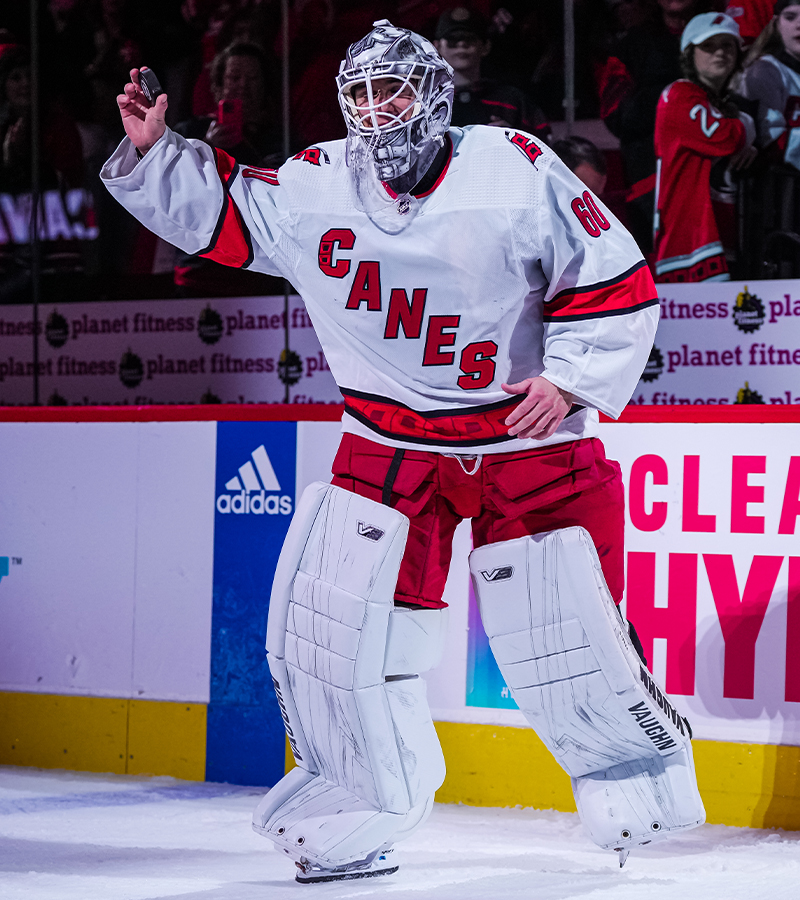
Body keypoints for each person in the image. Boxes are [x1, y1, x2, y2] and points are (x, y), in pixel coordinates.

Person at [102, 20, 703, 884]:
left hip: (520, 436)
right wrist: (161, 152)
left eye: (394, 92)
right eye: (361, 97)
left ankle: (637, 781)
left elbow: (611, 271)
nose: (378, 114)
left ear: (434, 96)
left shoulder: (515, 165)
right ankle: (357, 806)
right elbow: (234, 211)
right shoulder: (317, 183)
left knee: (570, 639)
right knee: (336, 637)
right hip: (388, 441)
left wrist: (570, 379)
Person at [653, 13, 757, 282]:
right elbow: (726, 138)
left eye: (728, 45)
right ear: (689, 53)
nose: (720, 53)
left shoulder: (729, 106)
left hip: (726, 235)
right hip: (689, 246)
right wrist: (746, 128)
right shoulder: (678, 95)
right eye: (708, 46)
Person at [433, 6, 551, 141]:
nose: (461, 44)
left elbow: (545, 149)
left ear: (486, 46)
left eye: (470, 38)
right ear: (436, 47)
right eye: (452, 40)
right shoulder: (425, 100)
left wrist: (514, 139)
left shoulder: (513, 101)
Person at [742, 0, 800, 171]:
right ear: (777, 24)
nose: (799, 24)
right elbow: (770, 142)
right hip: (778, 187)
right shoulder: (765, 70)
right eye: (790, 17)